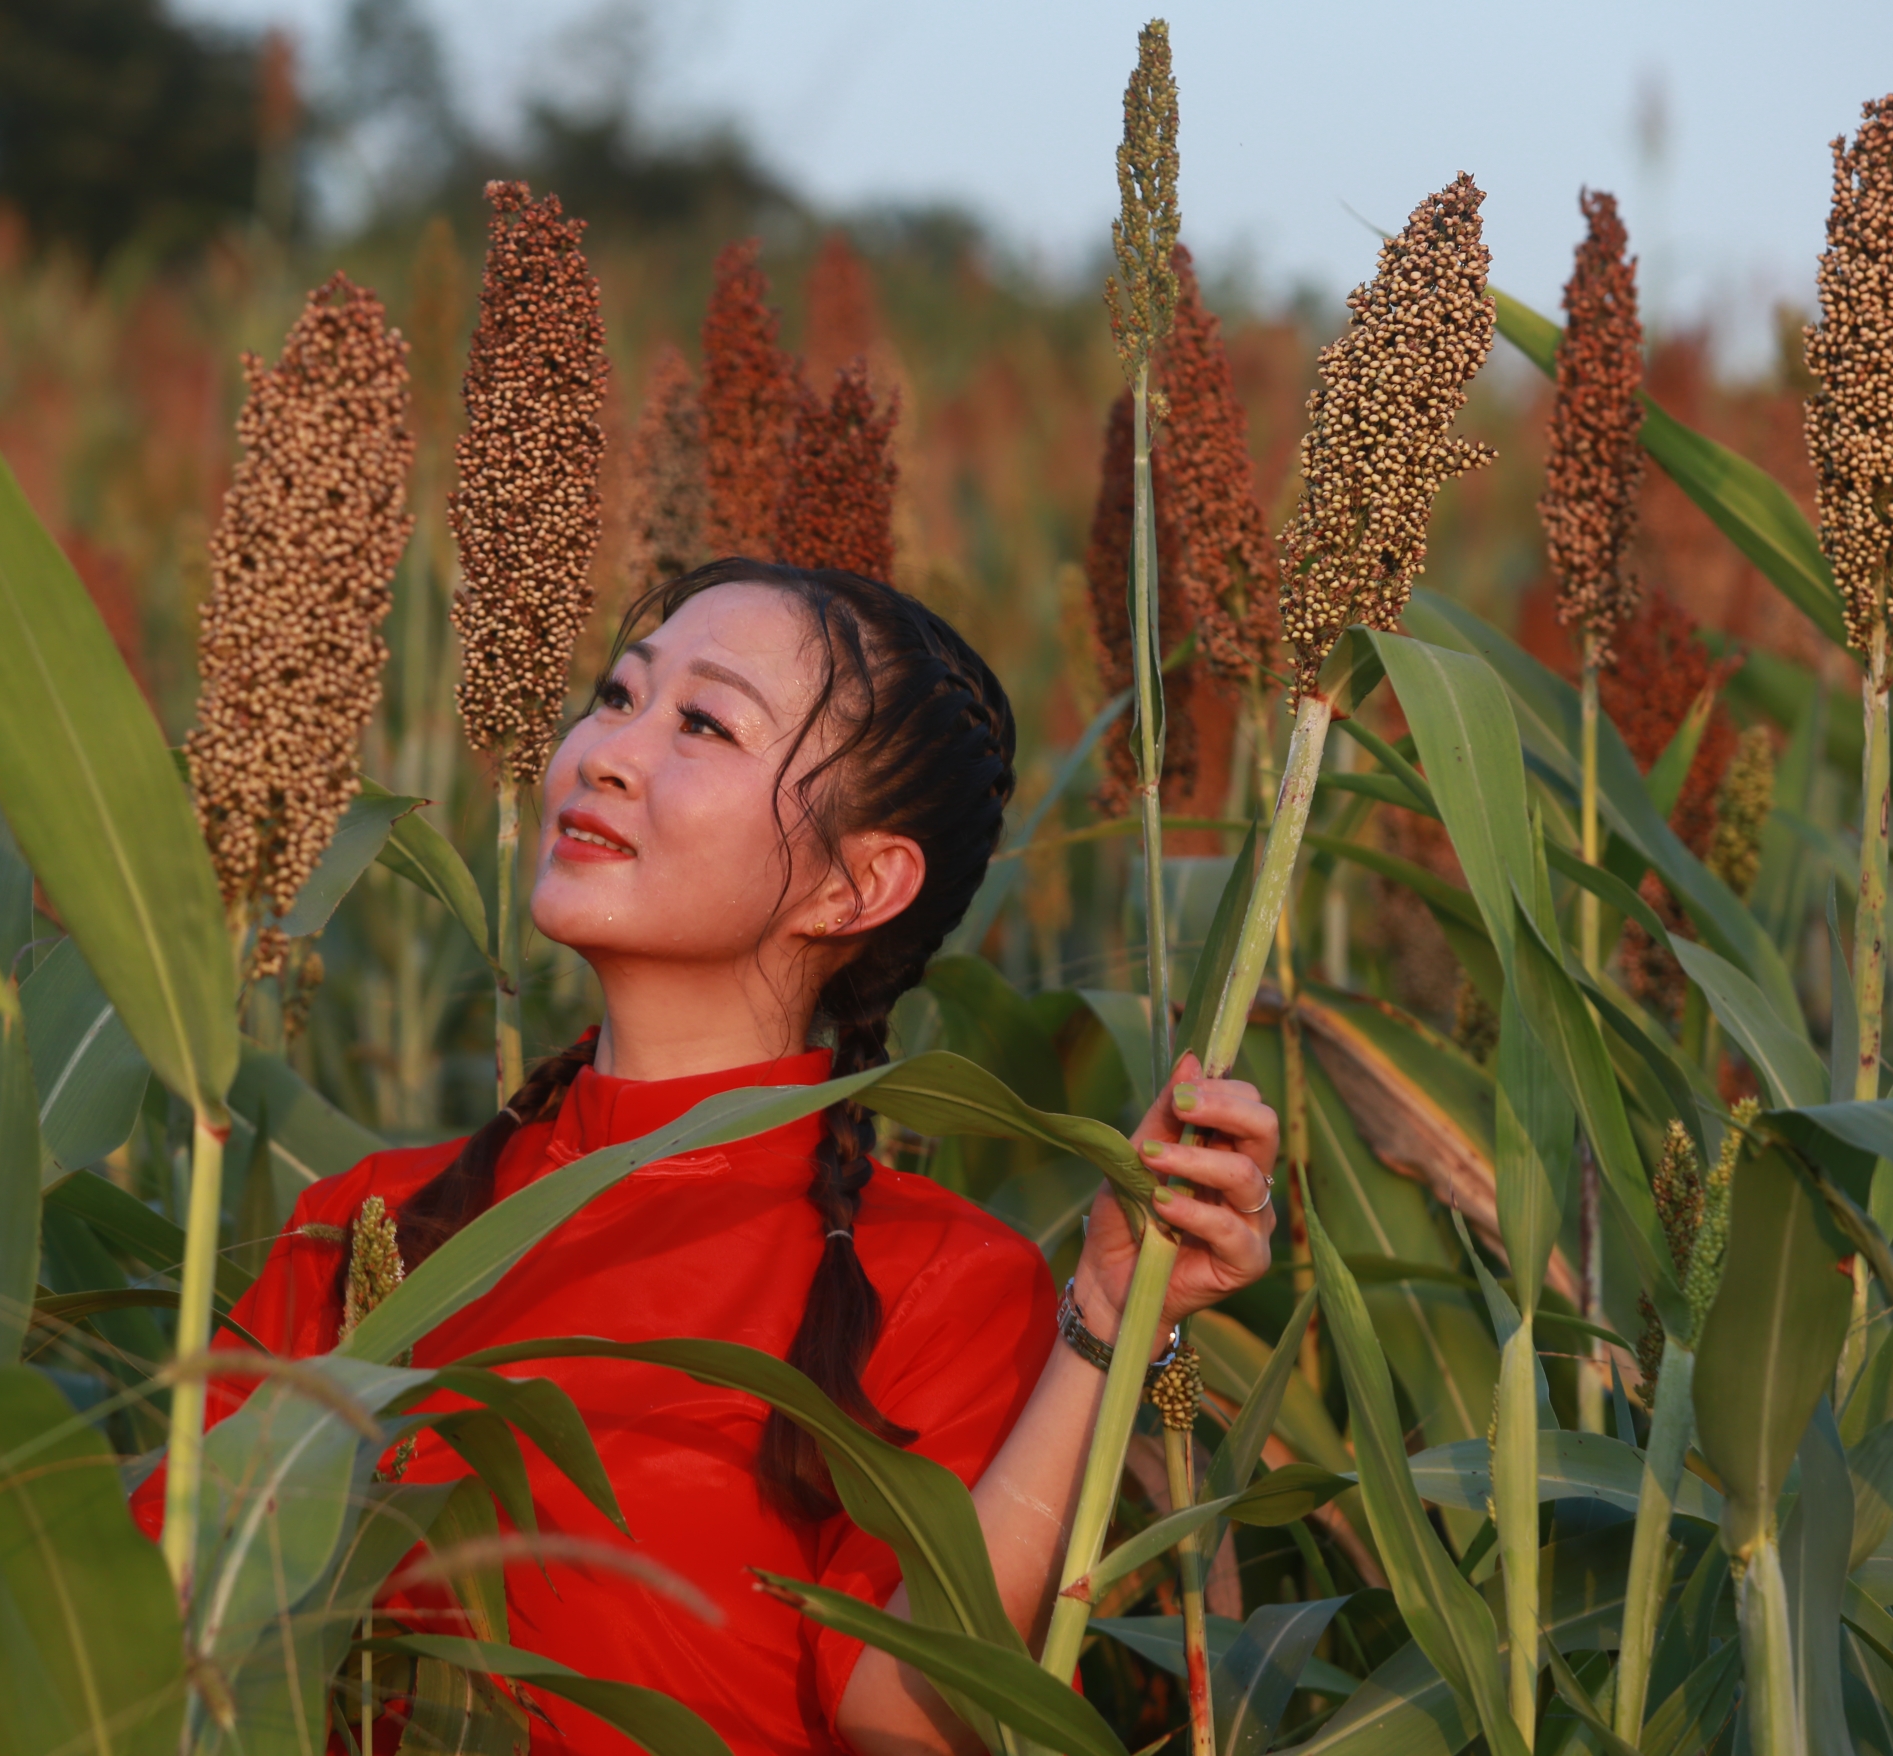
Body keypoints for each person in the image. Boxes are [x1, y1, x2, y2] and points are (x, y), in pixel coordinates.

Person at [131, 557, 1282, 1753]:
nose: (608, 753)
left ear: (856, 885)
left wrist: (1109, 1314)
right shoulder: (367, 1225)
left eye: (702, 723)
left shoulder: (938, 1279)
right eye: (618, 697)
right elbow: (145, 1643)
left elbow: (905, 1713)